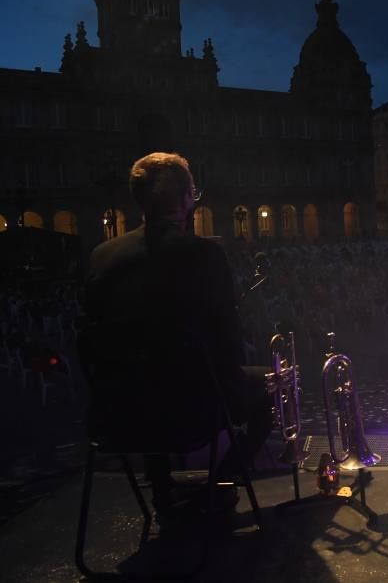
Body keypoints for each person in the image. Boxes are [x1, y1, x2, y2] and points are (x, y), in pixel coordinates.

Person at [83, 152, 273, 517]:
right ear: (187, 198)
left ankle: (162, 490)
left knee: (149, 371)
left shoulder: (100, 257)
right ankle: (221, 482)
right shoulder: (203, 255)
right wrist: (233, 397)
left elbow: (100, 339)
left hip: (117, 414)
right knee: (274, 385)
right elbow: (227, 340)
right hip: (191, 408)